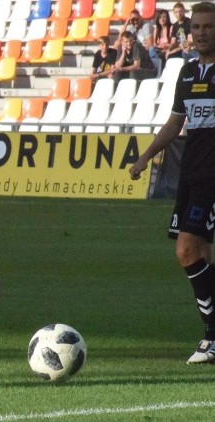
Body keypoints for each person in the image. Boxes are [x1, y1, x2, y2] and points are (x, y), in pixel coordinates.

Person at [129, 2, 215, 364]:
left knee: (186, 250)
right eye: (196, 26)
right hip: (190, 175)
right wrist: (147, 155)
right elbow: (174, 122)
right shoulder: (187, 72)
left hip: (213, 177)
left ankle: (212, 338)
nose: (200, 32)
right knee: (202, 254)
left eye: (208, 26)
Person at [152, 9, 174, 76]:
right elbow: (154, 44)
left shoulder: (171, 27)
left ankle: (158, 73)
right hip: (159, 50)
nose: (162, 19)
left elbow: (174, 42)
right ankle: (155, 70)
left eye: (164, 17)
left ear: (167, 18)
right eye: (160, 17)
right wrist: (160, 46)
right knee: (151, 50)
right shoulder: (157, 29)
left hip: (168, 49)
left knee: (158, 55)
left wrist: (166, 46)